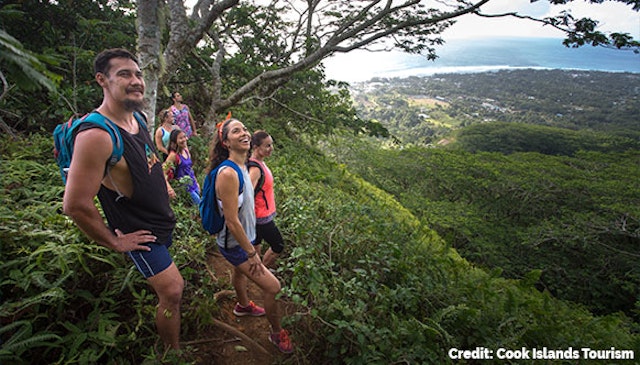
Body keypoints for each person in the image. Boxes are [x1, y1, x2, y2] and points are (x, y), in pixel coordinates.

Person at [62, 48, 183, 350]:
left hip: (159, 220)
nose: (136, 81)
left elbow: (145, 159)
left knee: (167, 290)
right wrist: (115, 242)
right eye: (124, 74)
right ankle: (173, 354)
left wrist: (162, 185)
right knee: (173, 290)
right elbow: (75, 204)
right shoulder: (96, 136)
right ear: (102, 80)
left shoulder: (137, 118)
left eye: (138, 74)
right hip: (140, 233)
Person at [205, 117, 293, 354]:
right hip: (234, 244)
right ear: (225, 142)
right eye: (236, 131)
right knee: (273, 287)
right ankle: (276, 334)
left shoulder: (243, 167)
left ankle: (243, 306)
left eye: (244, 129)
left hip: (242, 238)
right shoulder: (228, 173)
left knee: (239, 274)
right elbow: (232, 221)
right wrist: (251, 252)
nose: (244, 133)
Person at [248, 130, 285, 269]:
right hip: (261, 216)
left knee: (256, 242)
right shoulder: (255, 169)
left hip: (259, 214)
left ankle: (256, 272)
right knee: (278, 245)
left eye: (271, 145)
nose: (271, 148)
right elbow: (248, 193)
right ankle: (262, 272)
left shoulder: (259, 163)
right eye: (267, 146)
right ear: (256, 147)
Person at [164, 129, 201, 206]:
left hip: (193, 185)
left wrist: (196, 182)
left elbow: (189, 168)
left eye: (184, 137)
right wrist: (169, 188)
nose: (184, 140)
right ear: (174, 141)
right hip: (185, 189)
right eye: (180, 138)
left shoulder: (186, 151)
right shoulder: (173, 155)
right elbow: (163, 172)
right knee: (200, 207)